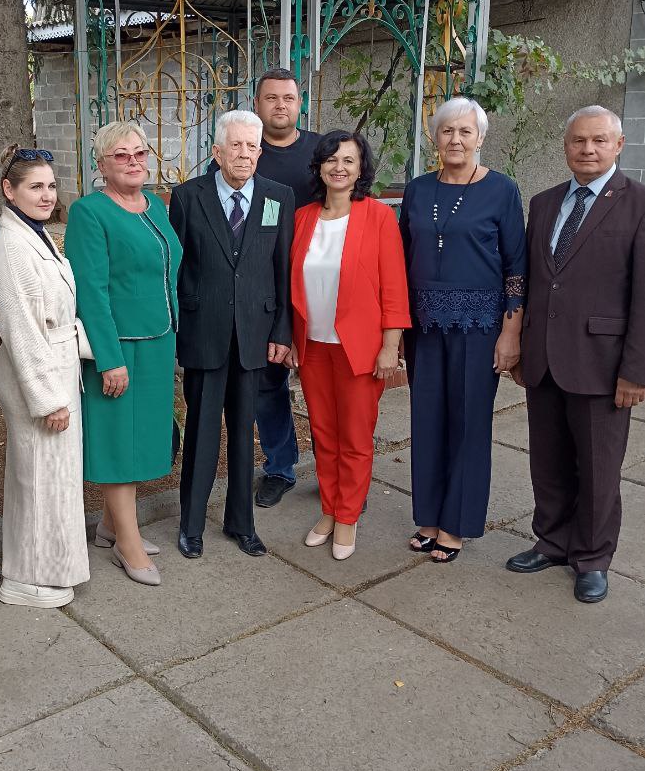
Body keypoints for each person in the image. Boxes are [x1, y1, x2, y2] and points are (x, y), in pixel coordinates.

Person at [507, 106, 645, 603]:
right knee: (548, 460)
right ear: (565, 146)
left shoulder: (637, 204)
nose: (588, 150)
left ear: (618, 144)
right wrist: (521, 349)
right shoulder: (544, 204)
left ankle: (592, 556)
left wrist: (636, 370)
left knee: (599, 466)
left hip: (604, 365)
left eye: (598, 141)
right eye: (578, 141)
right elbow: (538, 281)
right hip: (544, 358)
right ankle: (553, 540)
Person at [398, 96, 526, 562]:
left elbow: (516, 266)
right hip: (425, 326)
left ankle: (457, 524)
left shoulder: (502, 189)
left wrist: (511, 332)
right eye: (447, 131)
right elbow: (400, 255)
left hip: (480, 327)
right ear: (435, 137)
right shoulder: (416, 189)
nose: (455, 139)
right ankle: (429, 517)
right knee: (427, 421)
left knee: (469, 423)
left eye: (464, 132)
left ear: (480, 138)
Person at [170, 109, 294, 558]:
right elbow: (178, 269)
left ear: (261, 151)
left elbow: (281, 268)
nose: (245, 154)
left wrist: (282, 328)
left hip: (255, 336)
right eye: (236, 145)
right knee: (203, 434)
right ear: (218, 151)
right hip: (206, 333)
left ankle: (241, 523)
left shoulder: (279, 197)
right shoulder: (188, 197)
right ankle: (191, 525)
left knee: (245, 434)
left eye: (252, 146)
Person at [64, 121, 181, 588]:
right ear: (101, 164)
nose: (134, 161)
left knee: (144, 439)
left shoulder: (154, 205)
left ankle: (111, 527)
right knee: (118, 442)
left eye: (139, 153)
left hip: (158, 339)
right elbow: (90, 290)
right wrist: (108, 358)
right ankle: (128, 545)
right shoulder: (89, 212)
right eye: (121, 155)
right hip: (119, 346)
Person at [289, 131, 410, 559]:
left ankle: (348, 516)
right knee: (323, 435)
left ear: (361, 170)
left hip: (358, 347)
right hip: (313, 345)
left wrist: (389, 346)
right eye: (331, 159)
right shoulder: (302, 218)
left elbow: (394, 287)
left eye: (349, 161)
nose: (339, 167)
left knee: (356, 437)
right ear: (319, 166)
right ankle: (329, 508)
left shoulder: (377, 216)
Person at [0, 145, 90, 607]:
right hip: (37, 373)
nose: (47, 195)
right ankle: (26, 577)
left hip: (58, 363)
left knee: (53, 476)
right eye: (35, 187)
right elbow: (21, 331)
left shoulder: (38, 236)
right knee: (37, 477)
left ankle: (51, 566)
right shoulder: (9, 248)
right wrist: (48, 399)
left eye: (50, 186)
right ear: (9, 191)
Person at [211, 68, 322, 507]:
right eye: (271, 98)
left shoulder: (320, 151)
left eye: (288, 98)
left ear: (300, 104)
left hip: (317, 283)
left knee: (324, 386)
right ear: (256, 105)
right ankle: (280, 466)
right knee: (268, 384)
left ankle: (337, 474)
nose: (280, 105)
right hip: (262, 290)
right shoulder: (237, 155)